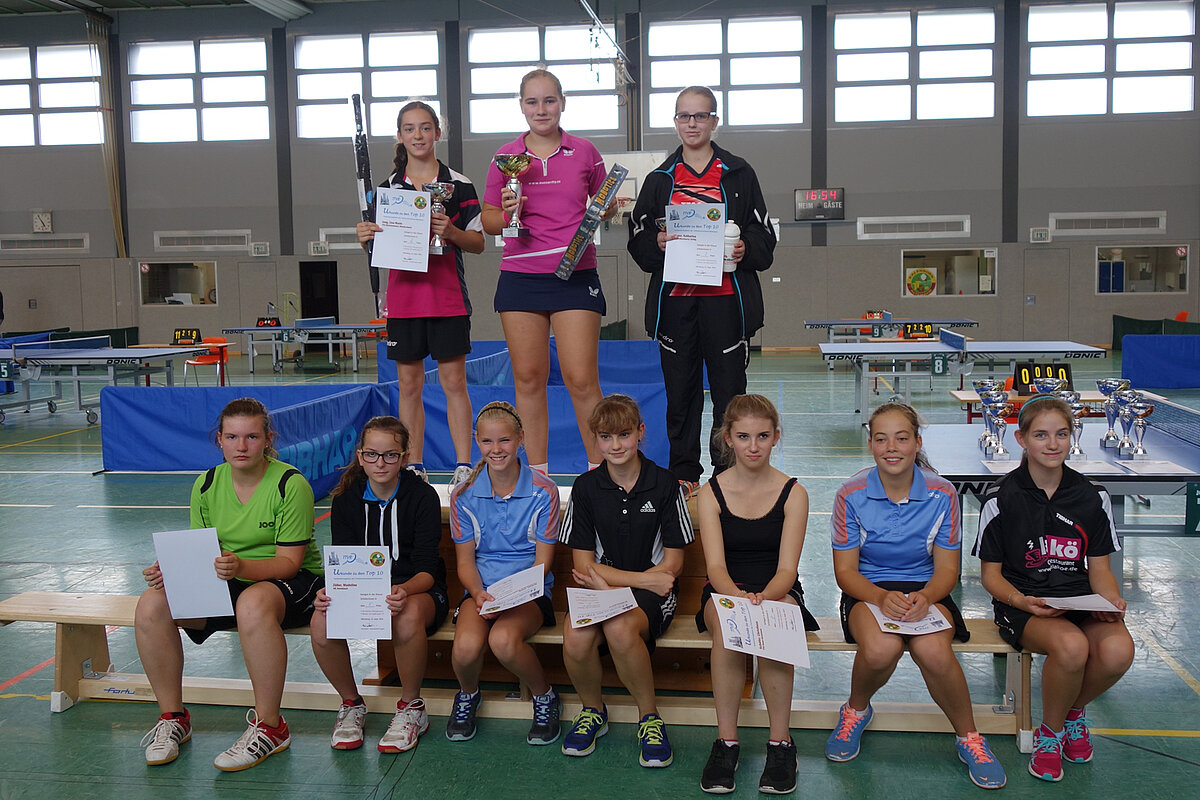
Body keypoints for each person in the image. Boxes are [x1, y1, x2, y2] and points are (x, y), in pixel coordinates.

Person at [134, 397, 323, 771]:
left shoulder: (290, 484)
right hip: (229, 577)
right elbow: (199, 549)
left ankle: (270, 726)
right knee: (151, 604)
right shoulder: (206, 484)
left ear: (268, 439)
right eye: (232, 437)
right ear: (218, 439)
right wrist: (172, 570)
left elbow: (289, 563)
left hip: (293, 582)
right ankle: (173, 717)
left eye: (252, 437)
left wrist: (239, 566)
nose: (242, 446)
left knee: (252, 603)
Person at [827, 402, 1006, 790]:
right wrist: (880, 597)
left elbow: (947, 571)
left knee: (934, 652)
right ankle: (855, 710)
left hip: (928, 591)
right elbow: (846, 573)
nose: (891, 448)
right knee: (881, 649)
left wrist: (925, 597)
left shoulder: (943, 493)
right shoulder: (850, 494)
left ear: (917, 443)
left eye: (902, 438)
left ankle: (970, 738)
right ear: (871, 445)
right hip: (869, 591)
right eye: (881, 439)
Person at [974, 394, 1133, 783]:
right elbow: (990, 576)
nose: (1052, 444)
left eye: (1062, 434)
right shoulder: (1000, 498)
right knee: (1072, 647)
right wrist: (1019, 599)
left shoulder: (1092, 496)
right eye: (1041, 435)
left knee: (1118, 650)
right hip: (1022, 603)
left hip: (1079, 598)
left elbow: (1100, 569)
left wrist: (1109, 600)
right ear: (1021, 439)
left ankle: (1071, 714)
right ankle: (1050, 735)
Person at [627, 86, 776, 496]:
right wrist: (656, 243)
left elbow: (765, 236)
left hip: (726, 306)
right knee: (681, 397)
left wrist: (746, 248)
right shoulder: (659, 179)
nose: (692, 123)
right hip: (677, 308)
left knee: (730, 398)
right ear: (675, 122)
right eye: (684, 116)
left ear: (714, 121)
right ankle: (684, 476)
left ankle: (726, 475)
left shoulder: (739, 173)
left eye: (700, 115)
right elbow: (637, 241)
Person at [481, 68, 621, 475]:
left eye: (549, 100)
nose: (541, 109)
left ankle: (601, 475)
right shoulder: (505, 157)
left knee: (581, 379)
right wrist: (506, 212)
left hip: (575, 274)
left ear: (562, 103)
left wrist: (608, 208)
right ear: (521, 106)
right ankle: (537, 475)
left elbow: (604, 203)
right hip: (521, 276)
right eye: (532, 102)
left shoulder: (585, 152)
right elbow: (489, 221)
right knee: (528, 379)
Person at [558, 394, 694, 768]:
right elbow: (584, 567)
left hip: (654, 598)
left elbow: (673, 565)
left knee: (619, 628)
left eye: (624, 435)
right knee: (575, 635)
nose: (615, 446)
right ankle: (593, 711)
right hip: (614, 589)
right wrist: (641, 581)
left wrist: (623, 582)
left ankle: (649, 718)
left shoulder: (665, 484)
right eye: (605, 437)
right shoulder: (585, 488)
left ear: (640, 432)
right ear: (595, 439)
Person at [357, 100, 484, 486]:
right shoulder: (385, 190)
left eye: (425, 127)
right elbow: (380, 249)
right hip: (405, 302)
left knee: (454, 384)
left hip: (447, 299)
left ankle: (463, 464)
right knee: (409, 387)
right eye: (410, 129)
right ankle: (413, 464)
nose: (418, 135)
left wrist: (452, 232)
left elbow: (478, 243)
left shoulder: (460, 184)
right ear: (400, 136)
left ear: (437, 133)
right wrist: (366, 239)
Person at [696, 394, 816, 794]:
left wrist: (764, 598)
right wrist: (737, 599)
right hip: (725, 589)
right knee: (728, 630)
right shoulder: (710, 493)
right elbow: (715, 567)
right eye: (744, 436)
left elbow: (787, 569)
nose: (753, 446)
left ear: (776, 437)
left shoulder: (793, 493)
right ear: (728, 438)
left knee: (775, 628)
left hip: (776, 589)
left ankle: (780, 745)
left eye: (763, 436)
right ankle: (726, 743)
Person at [309, 416, 448, 753]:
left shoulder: (422, 496)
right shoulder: (346, 499)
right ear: (360, 457)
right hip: (364, 589)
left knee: (407, 616)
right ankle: (351, 704)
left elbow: (428, 571)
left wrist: (404, 590)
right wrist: (329, 591)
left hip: (418, 588)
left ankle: (411, 707)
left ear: (404, 457)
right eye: (371, 454)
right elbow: (343, 561)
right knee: (321, 622)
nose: (380, 463)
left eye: (390, 455)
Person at [446, 400, 562, 744]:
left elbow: (543, 562)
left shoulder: (545, 490)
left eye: (505, 440)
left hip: (530, 592)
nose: (496, 449)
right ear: (476, 441)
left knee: (503, 641)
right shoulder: (463, 495)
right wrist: (479, 593)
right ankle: (468, 694)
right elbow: (465, 562)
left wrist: (515, 596)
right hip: (482, 592)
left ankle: (545, 696)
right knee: (465, 648)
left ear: (521, 439)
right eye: (487, 441)